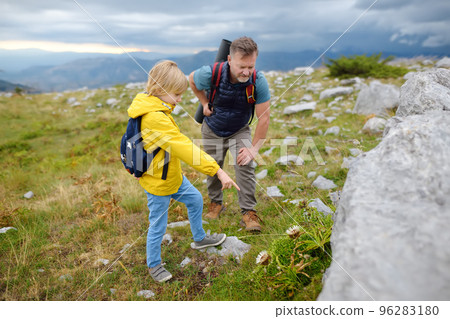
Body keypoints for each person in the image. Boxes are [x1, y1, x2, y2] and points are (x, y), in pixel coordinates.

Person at [127, 60, 240, 283]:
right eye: (177, 94)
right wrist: (217, 170)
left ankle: (199, 238)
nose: (180, 99)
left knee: (196, 199)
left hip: (173, 176)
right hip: (159, 183)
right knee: (157, 225)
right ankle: (154, 265)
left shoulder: (154, 105)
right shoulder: (155, 117)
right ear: (159, 90)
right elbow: (184, 147)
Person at [189, 36, 270, 232]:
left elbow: (264, 118)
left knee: (245, 165)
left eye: (250, 67)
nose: (246, 72)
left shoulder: (258, 81)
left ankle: (248, 212)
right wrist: (203, 102)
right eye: (242, 66)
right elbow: (192, 80)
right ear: (229, 59)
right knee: (212, 167)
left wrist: (254, 149)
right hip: (212, 128)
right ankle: (216, 203)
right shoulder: (210, 73)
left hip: (239, 129)